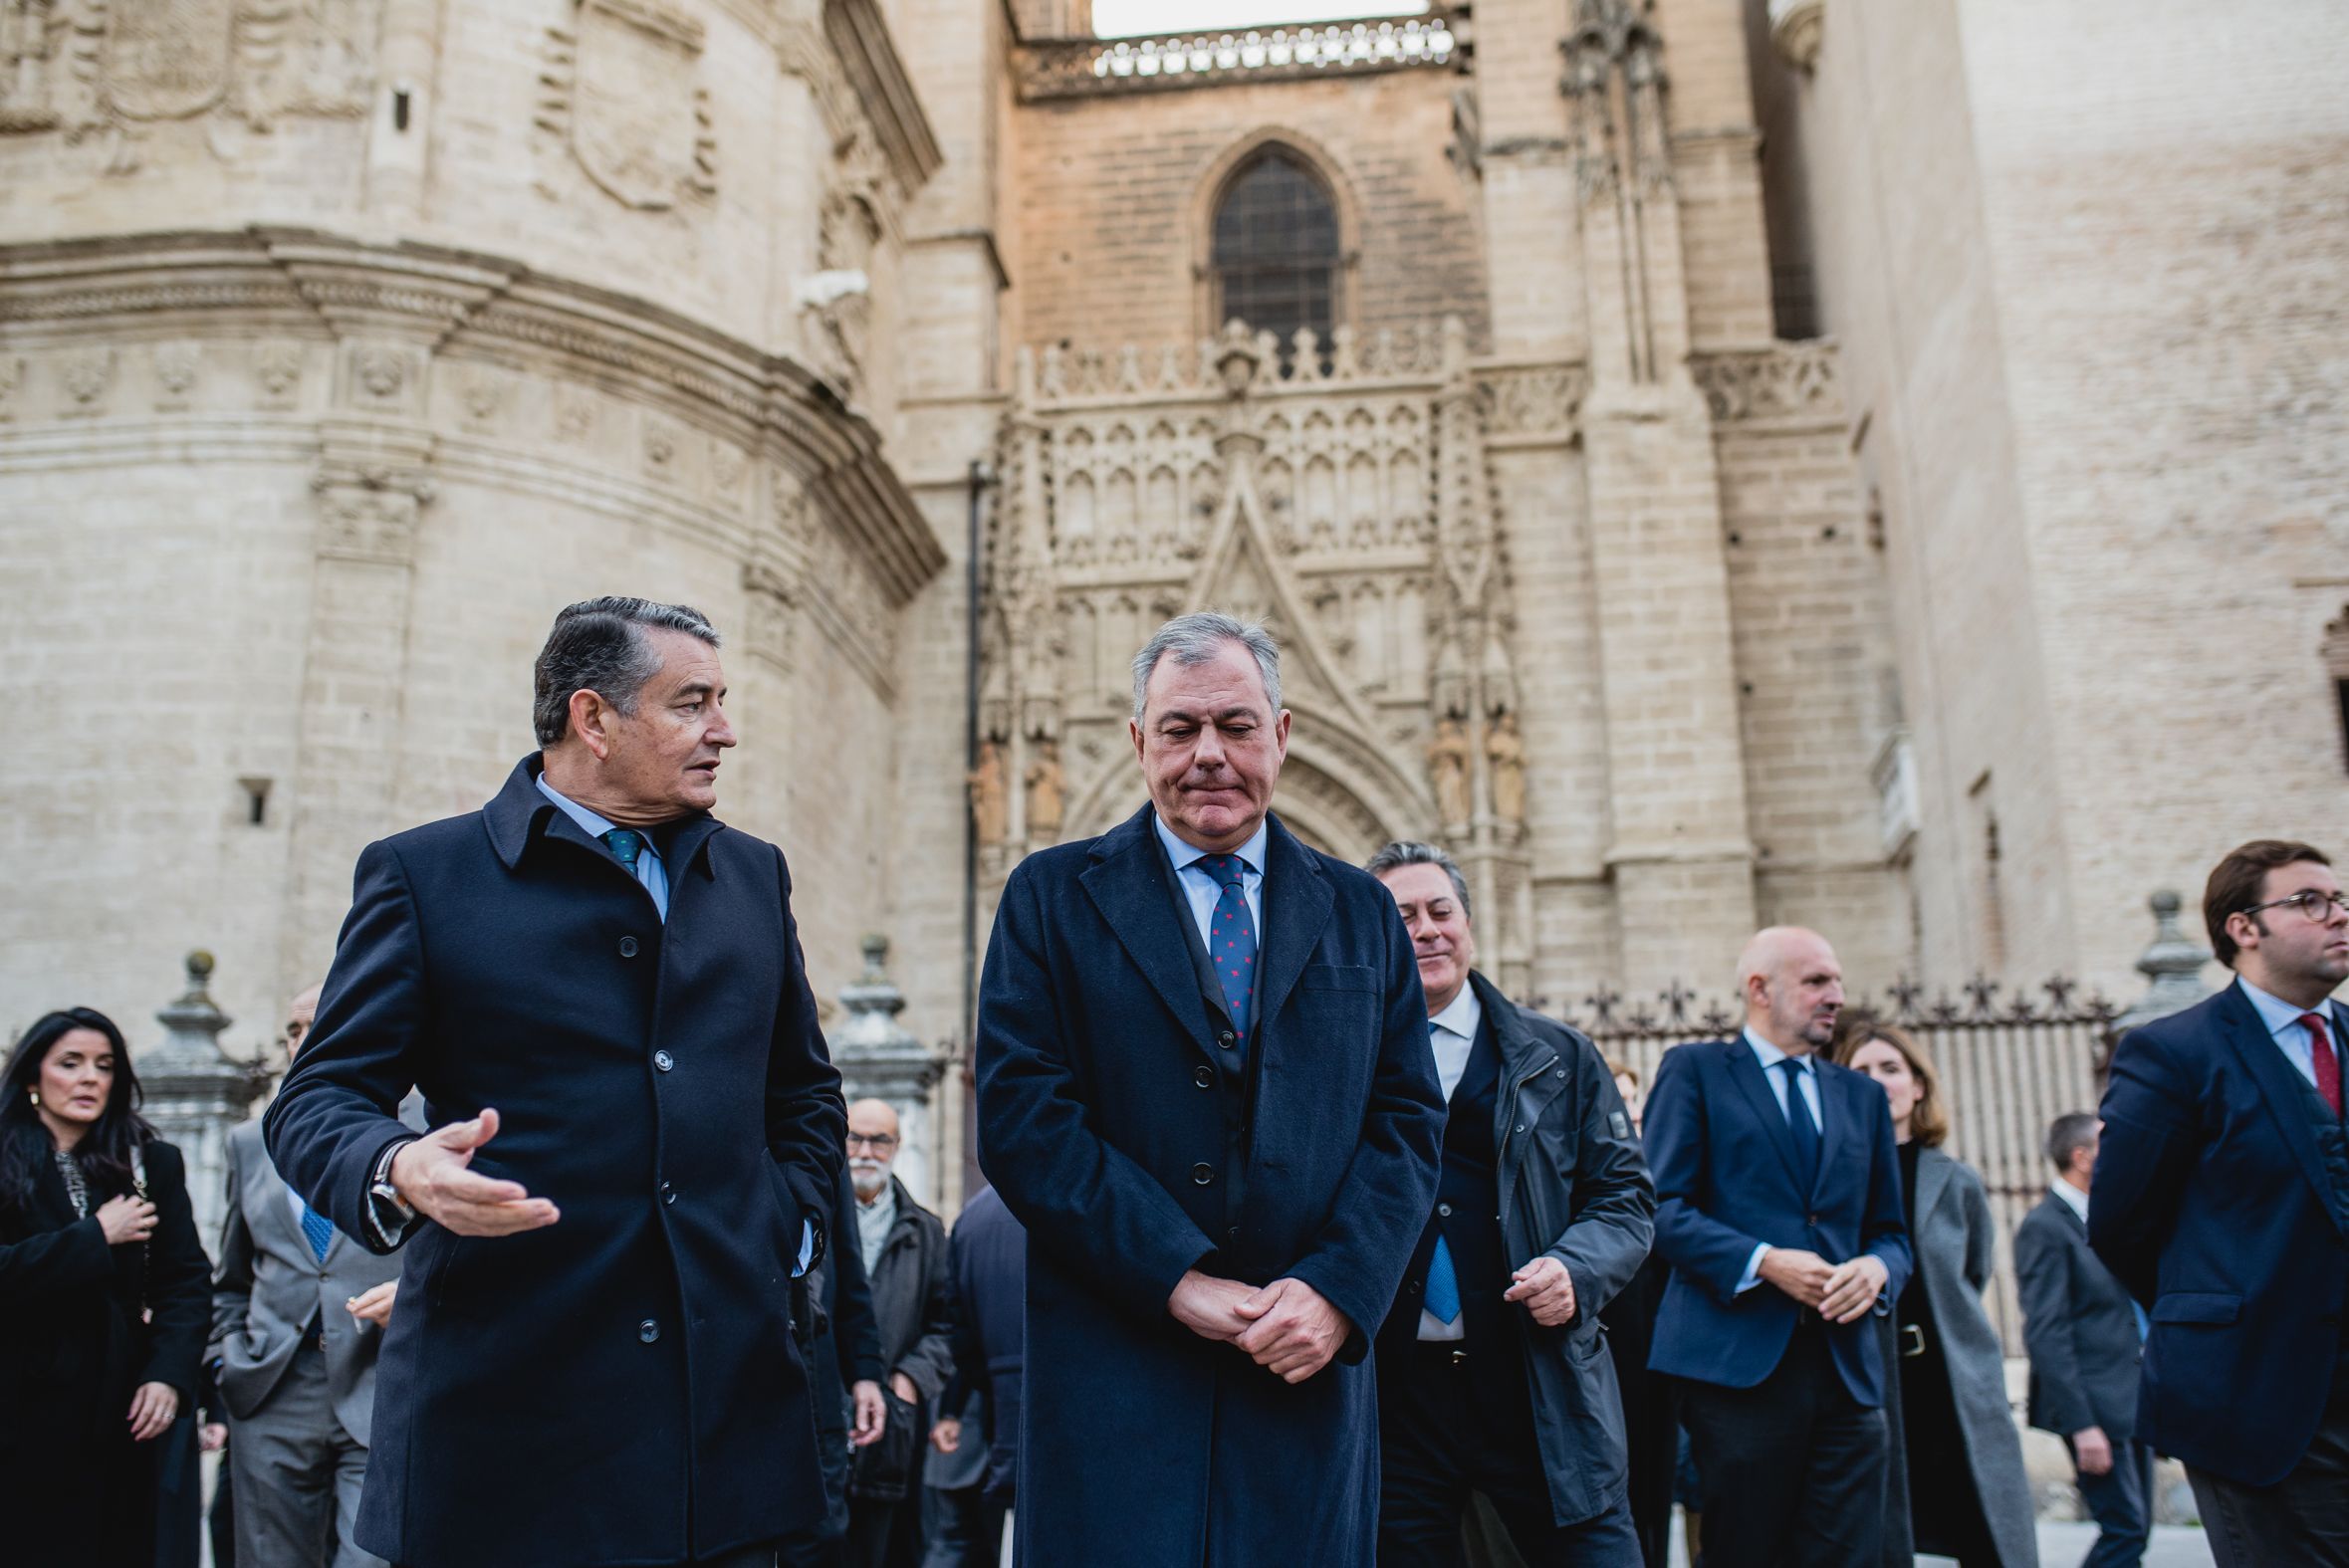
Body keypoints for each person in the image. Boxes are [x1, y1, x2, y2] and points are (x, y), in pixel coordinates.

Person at [266, 595, 847, 1568]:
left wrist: (784, 1227)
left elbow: (803, 1095)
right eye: (691, 703)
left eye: (721, 700)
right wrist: (399, 1165)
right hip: (506, 1434)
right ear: (593, 719)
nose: (725, 730)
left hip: (723, 1430)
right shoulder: (425, 875)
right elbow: (317, 1098)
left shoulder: (754, 876)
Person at [976, 611, 1446, 1564]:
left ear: (1281, 734)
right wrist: (1175, 1278)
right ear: (1138, 740)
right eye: (1180, 729)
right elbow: (1025, 1118)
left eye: (1234, 725)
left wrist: (1336, 1292)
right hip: (1117, 1369)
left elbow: (1404, 1121)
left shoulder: (1359, 909)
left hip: (1301, 1372)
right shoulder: (1051, 894)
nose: (1208, 756)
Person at [1365, 840, 1653, 1565]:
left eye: (1441, 910)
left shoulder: (1560, 1055)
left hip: (1537, 1383)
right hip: (1391, 1398)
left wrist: (1575, 1270)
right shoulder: (1337, 1060)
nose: (1426, 928)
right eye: (1402, 916)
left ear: (1468, 923)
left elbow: (1623, 1199)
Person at [2091, 839, 2349, 1566]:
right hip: (2252, 1398)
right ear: (2243, 927)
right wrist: (2217, 1307)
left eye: (2339, 899)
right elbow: (2120, 1223)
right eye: (2309, 901)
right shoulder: (2174, 1052)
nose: (2337, 916)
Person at [1642, 927, 1912, 1568]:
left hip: (1848, 1374)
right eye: (1817, 980)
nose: (1836, 996)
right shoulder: (1697, 1072)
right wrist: (1764, 1262)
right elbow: (1659, 1209)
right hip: (1737, 1374)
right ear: (1759, 988)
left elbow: (1892, 1235)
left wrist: (1876, 1270)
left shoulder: (1863, 1098)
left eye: (1838, 981)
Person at [211, 982, 419, 1568]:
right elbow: (232, 1275)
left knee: (372, 1559)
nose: (302, 1042)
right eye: (292, 1031)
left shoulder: (427, 1131)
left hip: (381, 1386)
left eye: (317, 1025)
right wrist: (226, 1359)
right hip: (272, 1390)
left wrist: (415, 1299)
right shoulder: (251, 1141)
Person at [0, 1008, 212, 1568]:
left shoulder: (148, 1162)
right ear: (32, 1077)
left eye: (104, 1065)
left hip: (119, 1405)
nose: (90, 1077)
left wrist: (169, 1375)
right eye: (70, 1063)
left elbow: (185, 1282)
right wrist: (95, 1237)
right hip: (17, 1403)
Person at [1833, 1017, 2037, 1567]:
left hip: (1951, 1377)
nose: (1878, 1081)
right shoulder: (1833, 1178)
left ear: (1918, 1085)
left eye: (1891, 1069)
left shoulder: (1955, 1178)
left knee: (1981, 1528)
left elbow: (1971, 1272)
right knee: (1882, 1532)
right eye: (1862, 1070)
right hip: (1871, 1375)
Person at [2015, 1113, 2151, 1568]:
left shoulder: (2105, 1215)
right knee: (2125, 1529)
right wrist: (2082, 1425)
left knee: (2139, 1526)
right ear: (2082, 1157)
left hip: (2129, 1400)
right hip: (2092, 1408)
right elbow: (2046, 1330)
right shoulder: (2045, 1227)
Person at [844, 1099, 957, 1568]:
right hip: (819, 1420)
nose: (865, 1151)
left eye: (879, 1140)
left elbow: (949, 1326)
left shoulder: (926, 1232)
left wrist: (909, 1380)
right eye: (855, 1138)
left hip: (893, 1426)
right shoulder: (813, 1219)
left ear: (897, 1145)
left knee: (887, 1548)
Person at [782, 1168, 889, 1568]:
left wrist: (865, 1373)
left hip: (817, 1375)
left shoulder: (819, 1136)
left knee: (822, 1531)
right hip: (740, 1371)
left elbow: (848, 1266)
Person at [1596, 1058, 1679, 1568]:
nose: (1626, 1112)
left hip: (1655, 1356)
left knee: (1654, 1488)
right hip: (1601, 1351)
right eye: (1616, 1100)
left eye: (1633, 1100)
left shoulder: (1660, 1176)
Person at [926, 1183, 1026, 1568]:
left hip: (1000, 1418)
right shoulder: (1079, 1199)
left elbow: (959, 1335)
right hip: (1069, 1424)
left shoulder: (971, 1219)